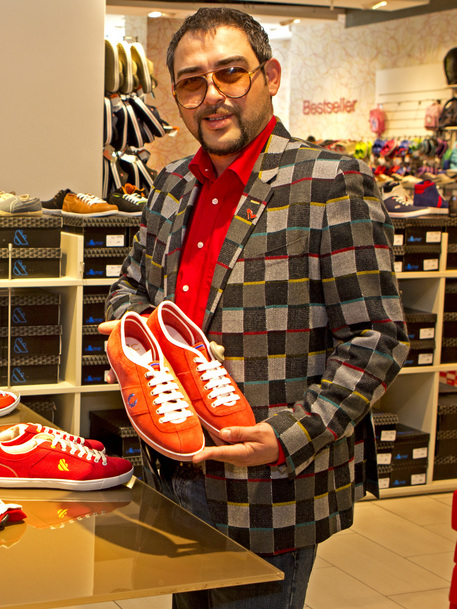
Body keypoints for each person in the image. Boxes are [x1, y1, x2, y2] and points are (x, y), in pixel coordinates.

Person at [101, 8, 408, 609]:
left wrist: (288, 435)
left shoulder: (330, 181)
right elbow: (129, 287)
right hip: (174, 469)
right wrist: (147, 335)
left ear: (269, 76)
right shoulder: (171, 184)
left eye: (230, 73)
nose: (212, 96)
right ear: (176, 98)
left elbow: (377, 338)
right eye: (192, 83)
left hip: (271, 483)